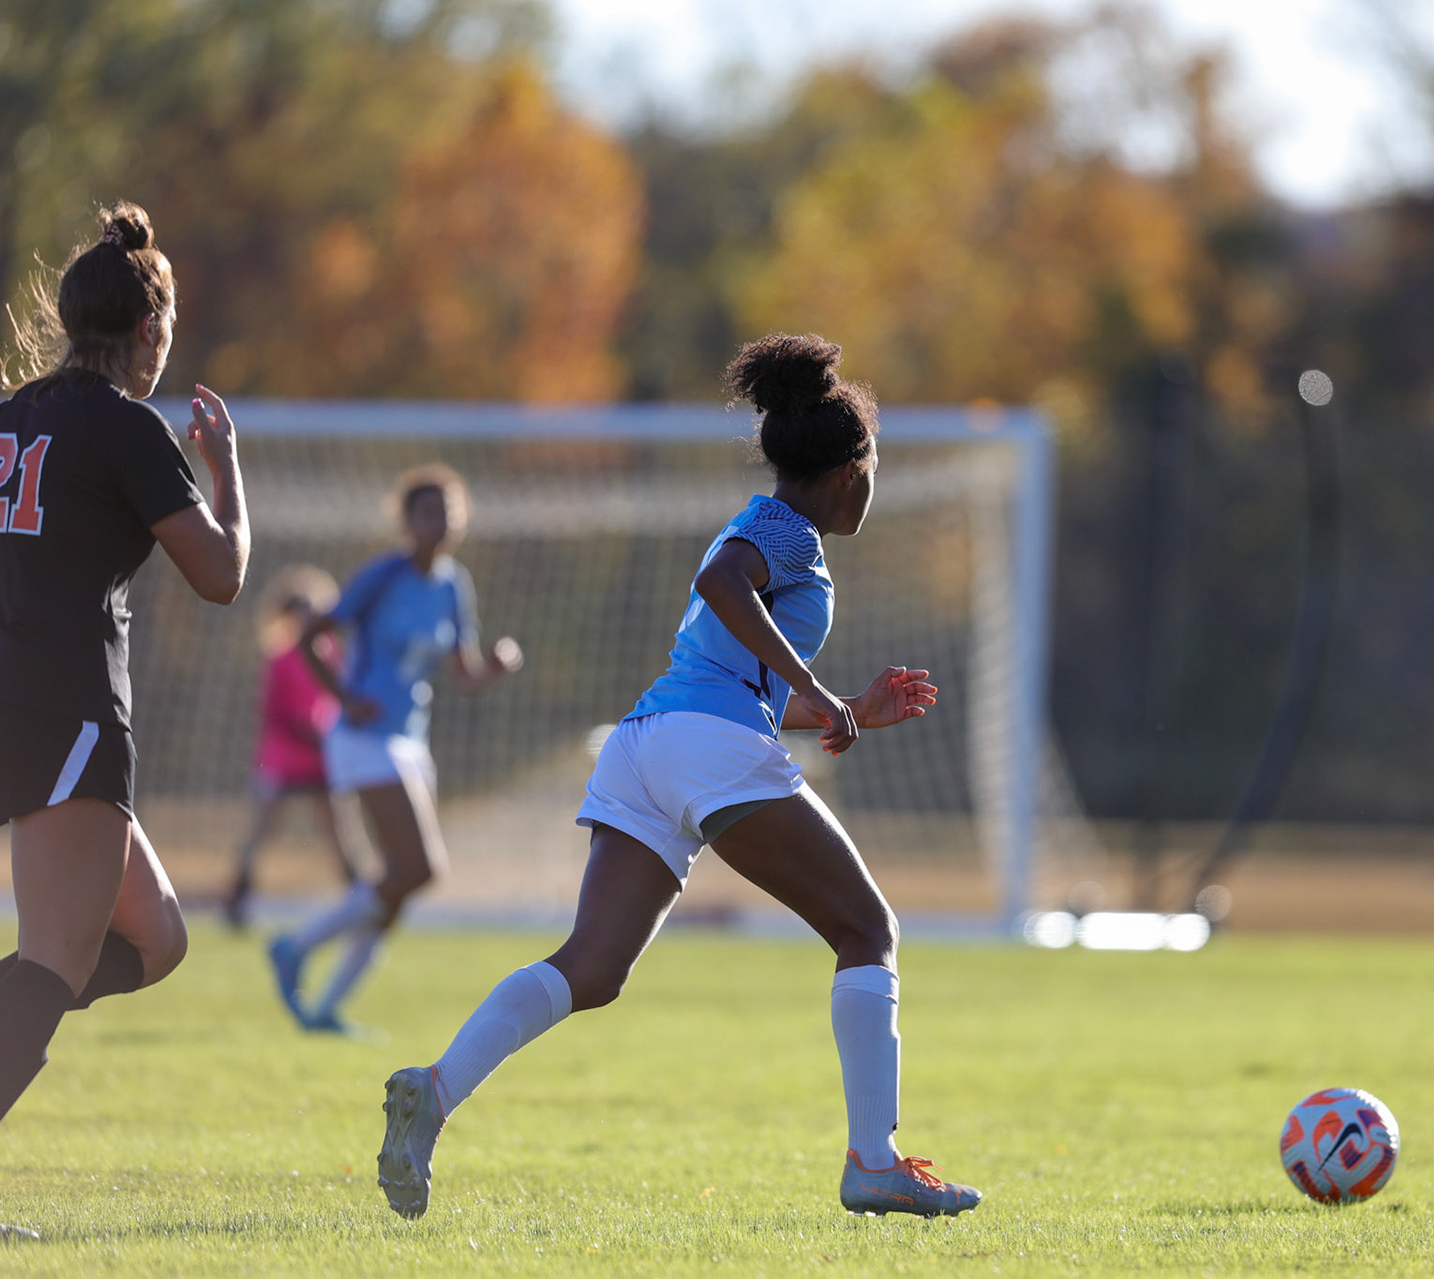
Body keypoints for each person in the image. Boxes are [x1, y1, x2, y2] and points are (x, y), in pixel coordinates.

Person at [373, 333, 983, 1222]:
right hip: (703, 744)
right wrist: (813, 685)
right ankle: (874, 1160)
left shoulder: (761, 522)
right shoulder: (786, 533)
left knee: (592, 968)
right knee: (867, 929)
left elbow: (735, 672)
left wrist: (844, 706)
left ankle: (435, 1088)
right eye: (875, 464)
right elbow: (722, 584)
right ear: (851, 468)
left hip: (648, 740)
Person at [0, 203, 250, 1238]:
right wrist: (227, 466)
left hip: (21, 695)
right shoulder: (124, 425)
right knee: (56, 954)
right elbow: (223, 574)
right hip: (66, 705)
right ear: (149, 331)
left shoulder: (14, 413)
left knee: (153, 934)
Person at [266, 466, 520, 1034]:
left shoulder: (455, 584)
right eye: (428, 511)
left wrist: (495, 669)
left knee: (400, 886)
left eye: (449, 510)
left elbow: (464, 673)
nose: (441, 521)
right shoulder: (384, 574)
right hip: (362, 738)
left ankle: (327, 1007)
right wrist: (343, 699)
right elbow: (311, 635)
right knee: (420, 869)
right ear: (407, 521)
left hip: (410, 740)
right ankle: (295, 946)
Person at [221, 565, 359, 929]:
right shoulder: (280, 658)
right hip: (282, 757)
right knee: (259, 830)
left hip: (321, 757)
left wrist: (331, 736)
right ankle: (238, 896)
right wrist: (308, 732)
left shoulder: (331, 653)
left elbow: (339, 699)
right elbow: (273, 711)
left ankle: (360, 898)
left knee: (340, 829)